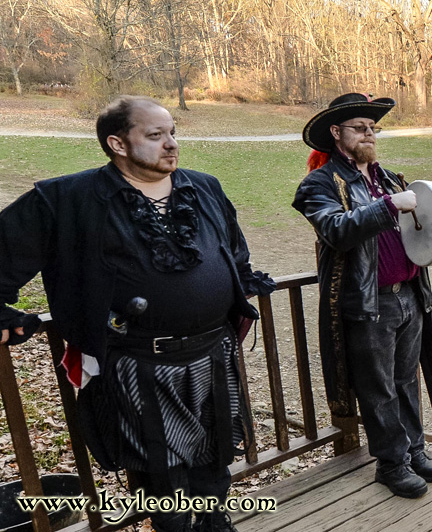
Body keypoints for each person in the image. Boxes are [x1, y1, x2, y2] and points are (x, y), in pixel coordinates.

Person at [0, 96, 275, 532]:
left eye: (173, 133)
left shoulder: (204, 186)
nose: (171, 144)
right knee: (160, 470)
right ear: (117, 143)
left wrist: (237, 284)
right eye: (155, 135)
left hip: (212, 350)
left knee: (215, 453)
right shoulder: (67, 199)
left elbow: (235, 251)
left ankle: (214, 522)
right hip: (139, 361)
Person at [292, 93, 432, 499]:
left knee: (405, 381)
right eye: (361, 128)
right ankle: (391, 464)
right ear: (336, 133)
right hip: (368, 304)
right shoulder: (319, 184)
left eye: (373, 128)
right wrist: (390, 206)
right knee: (377, 389)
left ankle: (414, 450)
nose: (370, 134)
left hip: (408, 297)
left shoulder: (389, 177)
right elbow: (337, 230)